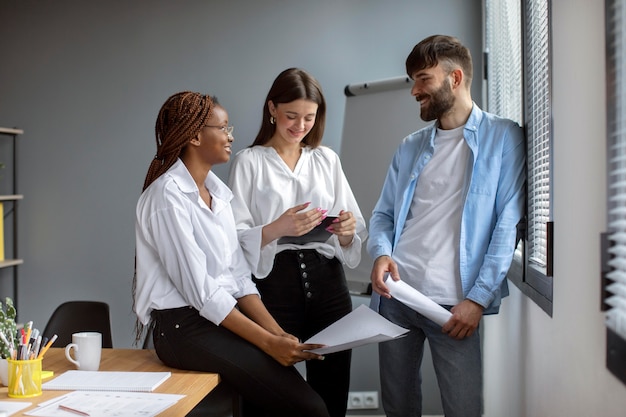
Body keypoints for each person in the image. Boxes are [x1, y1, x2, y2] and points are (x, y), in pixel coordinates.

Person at [132, 91, 332, 417]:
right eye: (223, 128)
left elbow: (238, 278)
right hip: (182, 329)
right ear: (195, 136)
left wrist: (277, 333)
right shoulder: (167, 198)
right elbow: (203, 293)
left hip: (215, 320)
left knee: (299, 401)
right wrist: (267, 343)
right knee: (309, 408)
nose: (231, 136)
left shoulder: (219, 194)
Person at [367, 35, 526, 417]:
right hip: (396, 298)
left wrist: (478, 298)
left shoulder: (504, 138)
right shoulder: (409, 146)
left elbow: (509, 222)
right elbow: (383, 215)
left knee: (464, 408)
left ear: (454, 78)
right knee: (398, 408)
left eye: (423, 79)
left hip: (455, 308)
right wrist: (381, 254)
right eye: (413, 81)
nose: (414, 91)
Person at [228, 68, 368, 417]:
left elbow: (352, 228)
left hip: (329, 285)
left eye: (309, 117)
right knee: (268, 395)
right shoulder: (250, 162)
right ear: (272, 108)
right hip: (272, 288)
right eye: (291, 116)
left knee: (332, 391)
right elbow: (232, 238)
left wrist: (347, 230)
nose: (300, 125)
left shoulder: (326, 159)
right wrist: (277, 227)